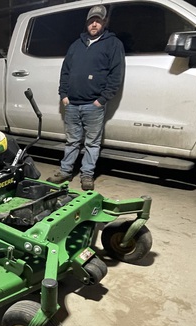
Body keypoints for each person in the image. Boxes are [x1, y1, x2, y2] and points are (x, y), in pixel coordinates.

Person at [47, 5, 125, 191]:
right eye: (91, 21)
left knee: (92, 143)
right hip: (72, 103)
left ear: (104, 22)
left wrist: (102, 100)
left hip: (93, 105)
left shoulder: (113, 44)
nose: (94, 24)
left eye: (98, 20)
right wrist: (63, 95)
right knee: (72, 141)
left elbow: (116, 76)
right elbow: (65, 72)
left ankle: (87, 175)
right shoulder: (76, 45)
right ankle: (65, 171)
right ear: (87, 23)